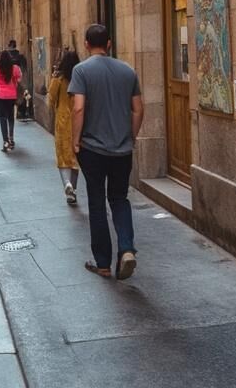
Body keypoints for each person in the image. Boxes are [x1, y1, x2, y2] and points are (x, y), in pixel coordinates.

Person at [70, 24, 144, 281]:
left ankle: (103, 262)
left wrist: (75, 141)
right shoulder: (128, 71)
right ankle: (126, 249)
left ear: (86, 44)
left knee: (97, 201)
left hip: (92, 149)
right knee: (120, 198)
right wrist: (131, 137)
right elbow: (138, 109)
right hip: (122, 149)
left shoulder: (81, 71)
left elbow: (78, 108)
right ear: (109, 43)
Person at [48, 50, 81, 206]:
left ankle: (67, 184)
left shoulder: (58, 79)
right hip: (78, 120)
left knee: (62, 156)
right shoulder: (81, 78)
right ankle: (73, 189)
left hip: (62, 120)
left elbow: (51, 99)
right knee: (75, 157)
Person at [0, 50, 22, 152]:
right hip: (11, 95)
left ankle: (5, 141)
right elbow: (19, 79)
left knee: (2, 118)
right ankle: (11, 138)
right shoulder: (15, 68)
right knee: (11, 117)